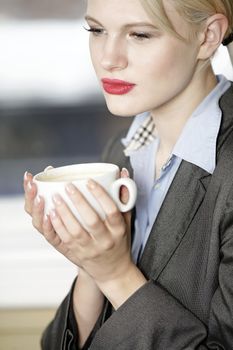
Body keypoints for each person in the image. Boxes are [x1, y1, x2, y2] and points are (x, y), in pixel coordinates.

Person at [23, 0, 233, 349]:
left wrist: (115, 273)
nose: (108, 58)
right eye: (96, 30)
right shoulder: (120, 154)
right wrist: (89, 264)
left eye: (139, 34)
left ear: (208, 36)